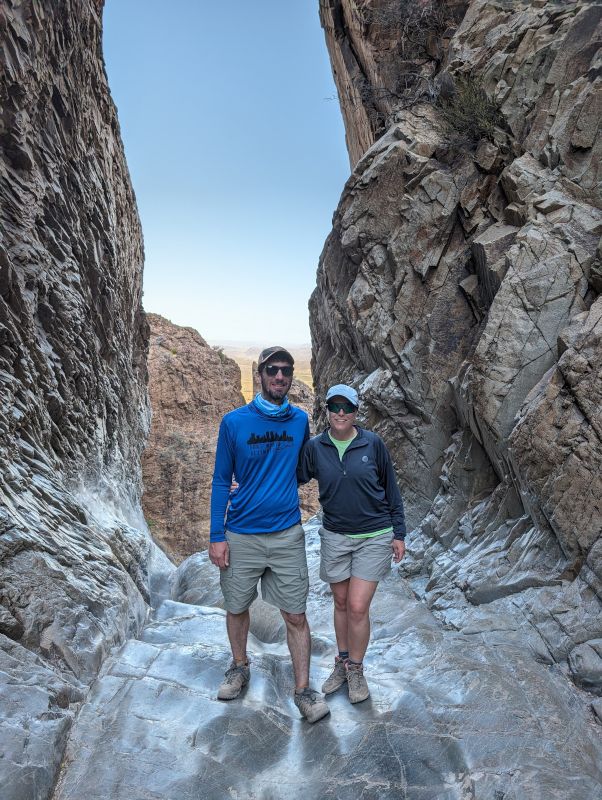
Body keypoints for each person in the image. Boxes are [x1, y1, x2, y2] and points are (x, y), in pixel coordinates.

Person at [209, 346, 330, 724]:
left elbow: (299, 470)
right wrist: (217, 534)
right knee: (236, 606)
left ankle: (304, 690)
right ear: (258, 374)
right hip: (241, 533)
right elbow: (219, 479)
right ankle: (239, 666)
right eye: (272, 370)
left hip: (286, 534)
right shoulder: (234, 422)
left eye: (287, 370)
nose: (280, 376)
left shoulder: (298, 421)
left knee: (295, 614)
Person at [297, 384, 406, 704]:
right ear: (327, 411)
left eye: (347, 407)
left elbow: (391, 489)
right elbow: (293, 477)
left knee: (358, 606)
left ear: (356, 411)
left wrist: (399, 533)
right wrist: (246, 480)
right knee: (341, 603)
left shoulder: (373, 444)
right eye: (335, 407)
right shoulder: (315, 448)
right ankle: (342, 663)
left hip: (374, 534)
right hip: (335, 536)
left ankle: (356, 669)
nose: (341, 413)